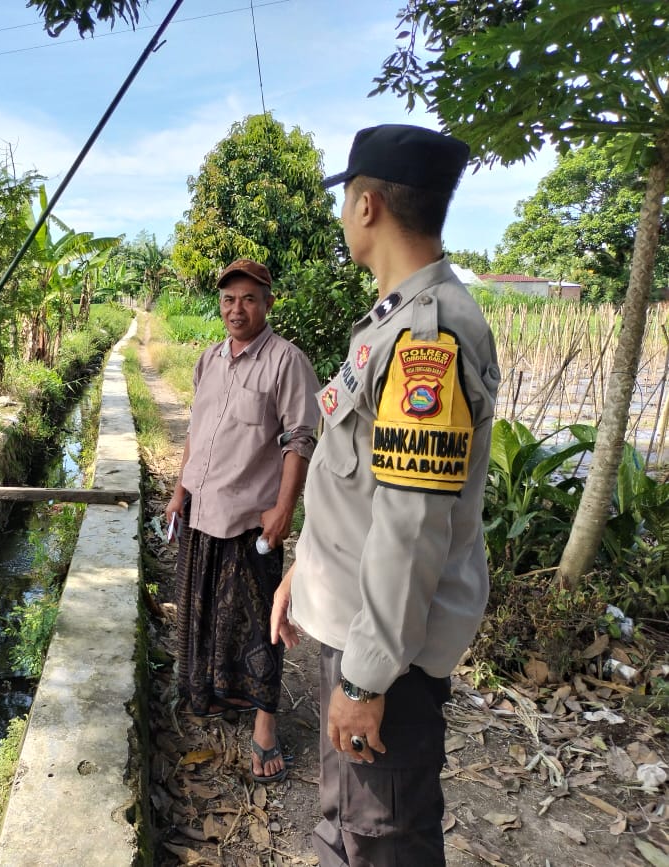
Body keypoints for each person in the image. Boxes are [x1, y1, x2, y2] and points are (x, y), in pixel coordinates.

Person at [270, 124, 501, 866]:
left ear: (366, 205)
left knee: (383, 839)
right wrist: (301, 574)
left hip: (385, 660)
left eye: (346, 203)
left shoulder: (427, 339)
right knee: (348, 827)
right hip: (356, 630)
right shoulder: (392, 324)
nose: (344, 218)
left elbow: (411, 527)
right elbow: (361, 492)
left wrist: (366, 678)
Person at [165, 257, 320, 784]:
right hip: (202, 512)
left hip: (250, 521)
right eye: (229, 299)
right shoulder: (208, 360)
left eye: (249, 299)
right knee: (205, 614)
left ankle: (265, 725)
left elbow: (300, 439)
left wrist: (284, 508)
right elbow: (195, 429)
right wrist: (178, 490)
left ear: (268, 303)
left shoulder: (287, 362)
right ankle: (212, 693)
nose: (237, 309)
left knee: (261, 627)